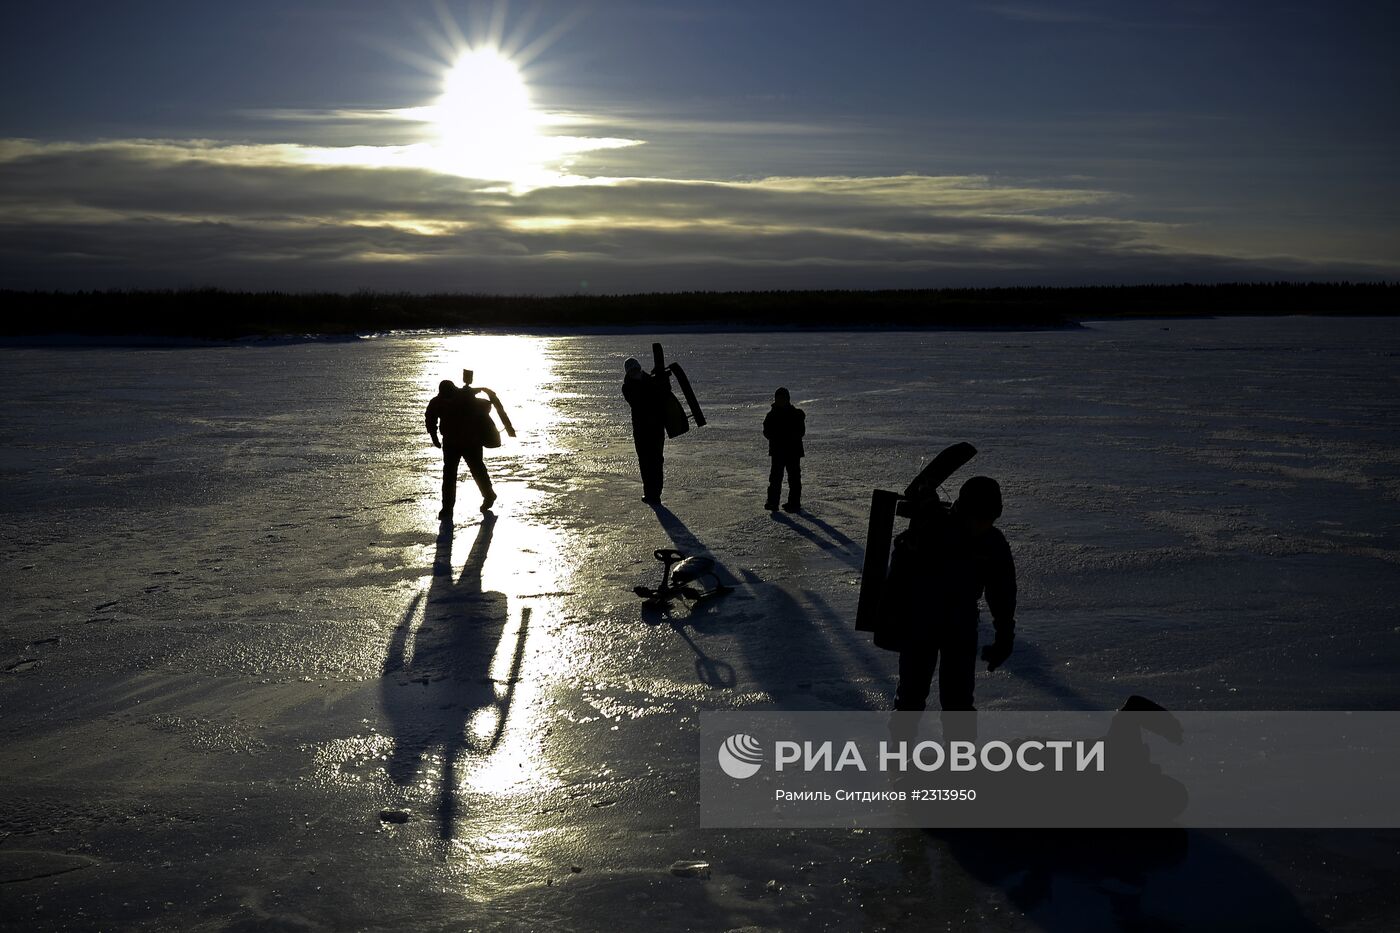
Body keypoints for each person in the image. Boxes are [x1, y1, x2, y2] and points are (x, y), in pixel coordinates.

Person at [891, 475, 1016, 713]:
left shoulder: (993, 543)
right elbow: (900, 572)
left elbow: (1002, 593)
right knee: (909, 700)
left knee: (958, 704)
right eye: (978, 518)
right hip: (921, 622)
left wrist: (1004, 637)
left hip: (961, 626)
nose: (983, 525)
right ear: (964, 511)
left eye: (989, 519)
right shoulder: (933, 527)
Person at [425, 376, 499, 519]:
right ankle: (447, 508)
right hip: (458, 443)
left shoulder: (454, 398)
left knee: (466, 472)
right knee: (456, 474)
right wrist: (434, 437)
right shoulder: (453, 398)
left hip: (468, 442)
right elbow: (431, 418)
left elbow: (430, 418)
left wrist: (434, 437)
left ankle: (488, 495)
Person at [622, 356, 667, 504]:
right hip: (642, 430)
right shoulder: (628, 387)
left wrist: (662, 379)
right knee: (646, 463)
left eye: (637, 369)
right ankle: (650, 494)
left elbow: (664, 394)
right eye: (633, 371)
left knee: (656, 461)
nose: (636, 372)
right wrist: (655, 382)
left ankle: (655, 495)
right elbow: (639, 401)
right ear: (628, 373)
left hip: (656, 428)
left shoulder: (650, 380)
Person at [763, 386, 805, 512]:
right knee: (775, 478)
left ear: (787, 399)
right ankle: (772, 502)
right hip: (778, 452)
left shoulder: (796, 414)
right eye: (778, 398)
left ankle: (794, 503)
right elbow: (766, 432)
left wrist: (787, 436)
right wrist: (777, 436)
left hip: (793, 452)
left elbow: (801, 431)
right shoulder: (771, 415)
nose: (780, 400)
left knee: (794, 479)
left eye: (782, 398)